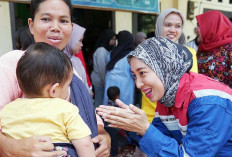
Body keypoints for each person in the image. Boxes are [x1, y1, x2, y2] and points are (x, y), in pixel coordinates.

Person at [0, 0, 110, 156]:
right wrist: (13, 147)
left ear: (71, 28)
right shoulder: (14, 63)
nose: (55, 27)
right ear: (31, 25)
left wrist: (103, 135)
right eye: (46, 19)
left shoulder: (71, 71)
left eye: (63, 21)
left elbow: (88, 114)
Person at [97, 37, 232, 157]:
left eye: (142, 73)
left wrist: (144, 128)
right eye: (134, 76)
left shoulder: (208, 103)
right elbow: (161, 139)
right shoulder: (167, 96)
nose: (138, 84)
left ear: (164, 67)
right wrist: (131, 124)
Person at [0, 42, 95, 157]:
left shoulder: (7, 110)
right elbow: (84, 144)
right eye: (68, 85)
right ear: (54, 90)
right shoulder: (66, 109)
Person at [196, 10, 232, 88]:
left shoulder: (229, 49)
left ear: (211, 26)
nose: (196, 30)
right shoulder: (202, 48)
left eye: (199, 25)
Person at [103, 30, 135, 106]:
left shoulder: (111, 53)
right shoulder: (131, 55)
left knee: (110, 109)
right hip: (126, 85)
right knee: (124, 109)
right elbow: (133, 72)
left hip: (110, 84)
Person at [91, 29, 116, 108]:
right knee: (99, 102)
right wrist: (105, 83)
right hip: (100, 81)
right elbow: (102, 69)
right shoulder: (101, 51)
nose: (114, 42)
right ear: (107, 38)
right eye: (112, 39)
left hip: (100, 80)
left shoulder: (105, 50)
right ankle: (96, 118)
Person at [63, 23, 91, 92]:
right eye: (80, 40)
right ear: (71, 38)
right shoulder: (59, 62)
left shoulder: (76, 61)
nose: (82, 45)